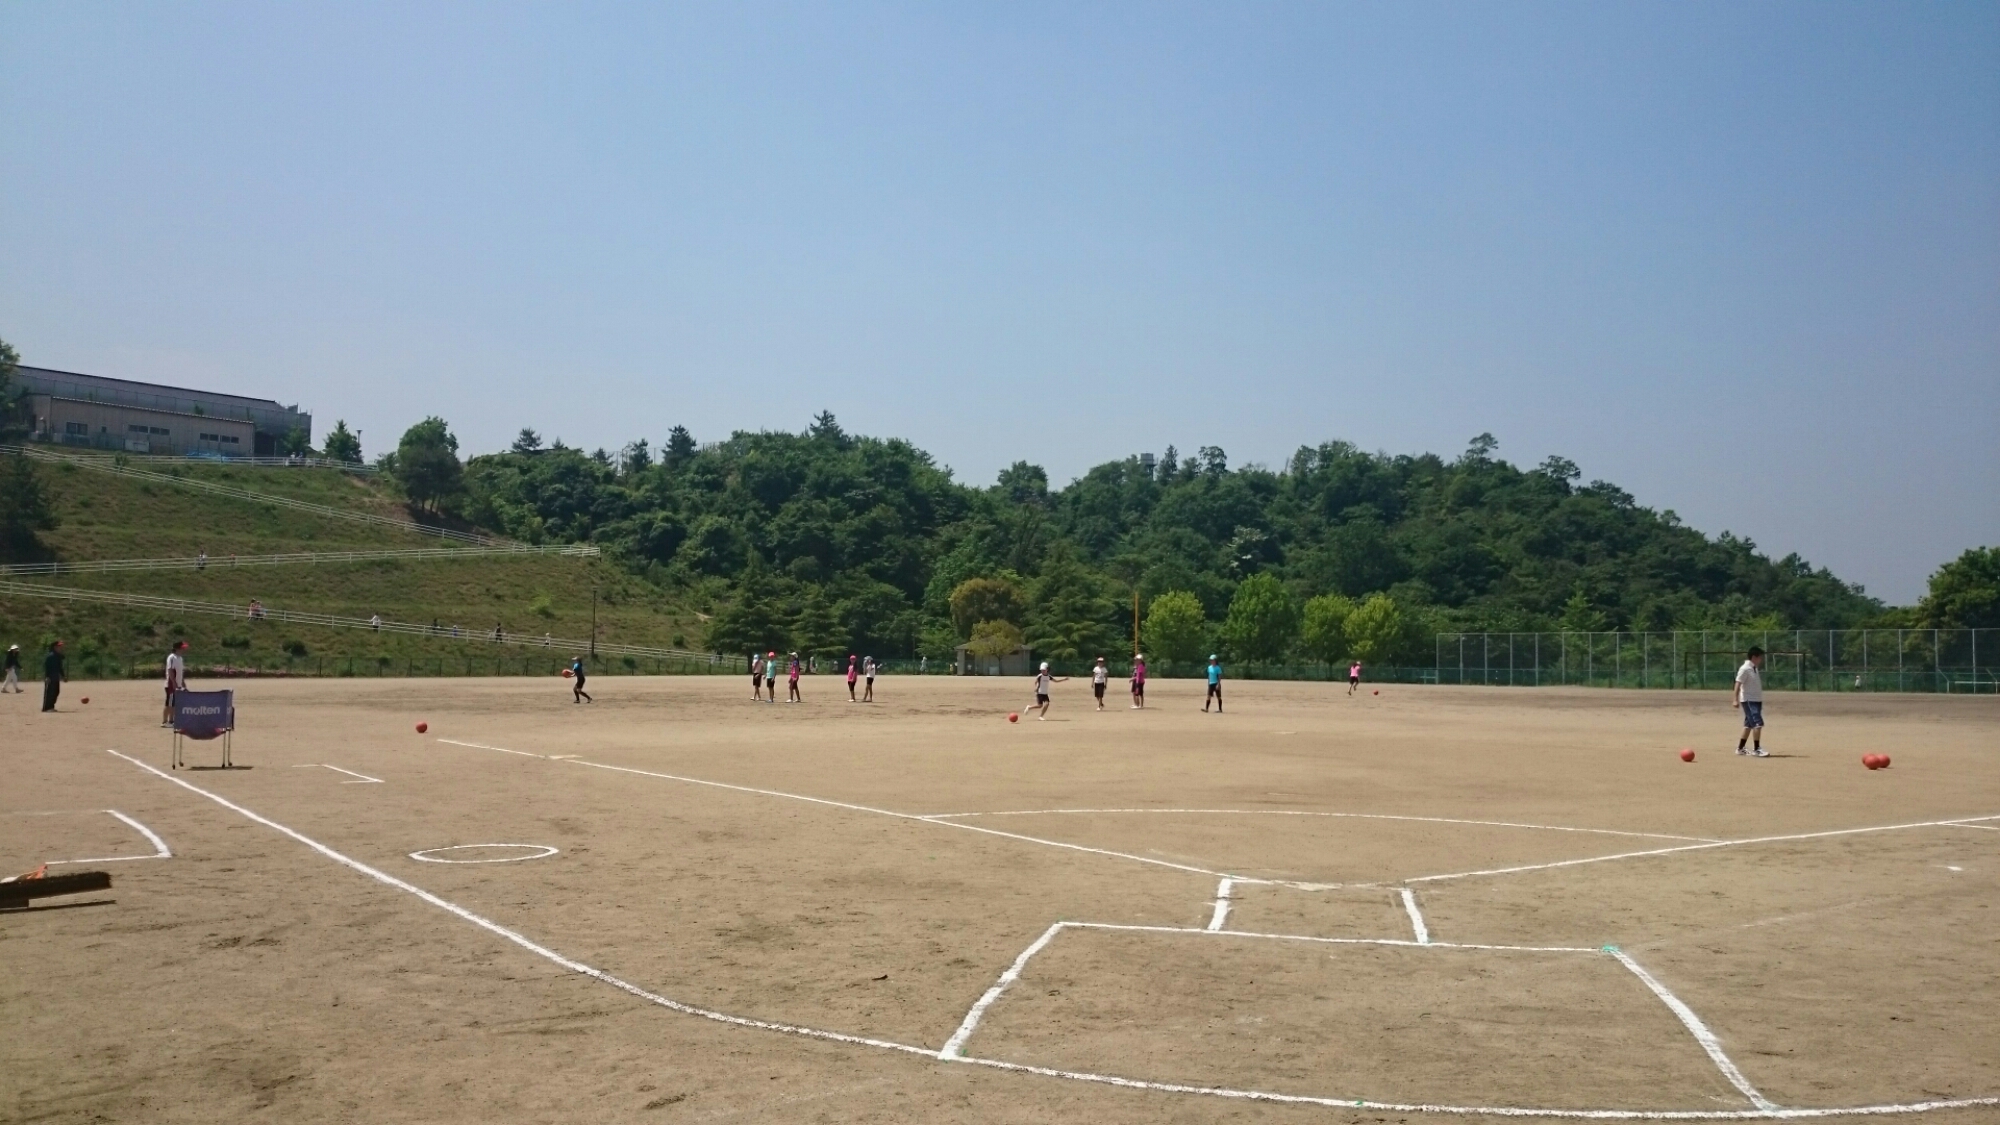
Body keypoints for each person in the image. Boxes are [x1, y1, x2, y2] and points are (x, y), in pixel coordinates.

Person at [1734, 646, 1767, 757]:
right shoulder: (1745, 669)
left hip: (1756, 700)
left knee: (1748, 725)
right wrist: (1735, 699)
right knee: (1758, 723)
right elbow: (1738, 683)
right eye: (1760, 657)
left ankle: (1740, 748)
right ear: (1754, 657)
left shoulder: (1754, 668)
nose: (1761, 660)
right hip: (1749, 700)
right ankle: (1757, 749)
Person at [162, 640, 188, 726]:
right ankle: (165, 721)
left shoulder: (180, 658)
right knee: (169, 703)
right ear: (177, 649)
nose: (183, 650)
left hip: (178, 684)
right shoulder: (172, 657)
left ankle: (171, 720)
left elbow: (180, 672)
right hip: (171, 684)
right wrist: (173, 682)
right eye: (182, 648)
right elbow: (170, 670)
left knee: (174, 703)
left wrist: (182, 682)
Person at [41, 640, 65, 713]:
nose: (60, 648)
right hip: (51, 676)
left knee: (56, 691)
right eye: (59, 646)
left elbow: (60, 667)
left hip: (56, 676)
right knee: (50, 692)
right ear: (55, 647)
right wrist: (47, 677)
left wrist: (63, 676)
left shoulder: (58, 656)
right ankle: (47, 707)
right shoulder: (50, 656)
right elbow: (47, 667)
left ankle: (51, 706)